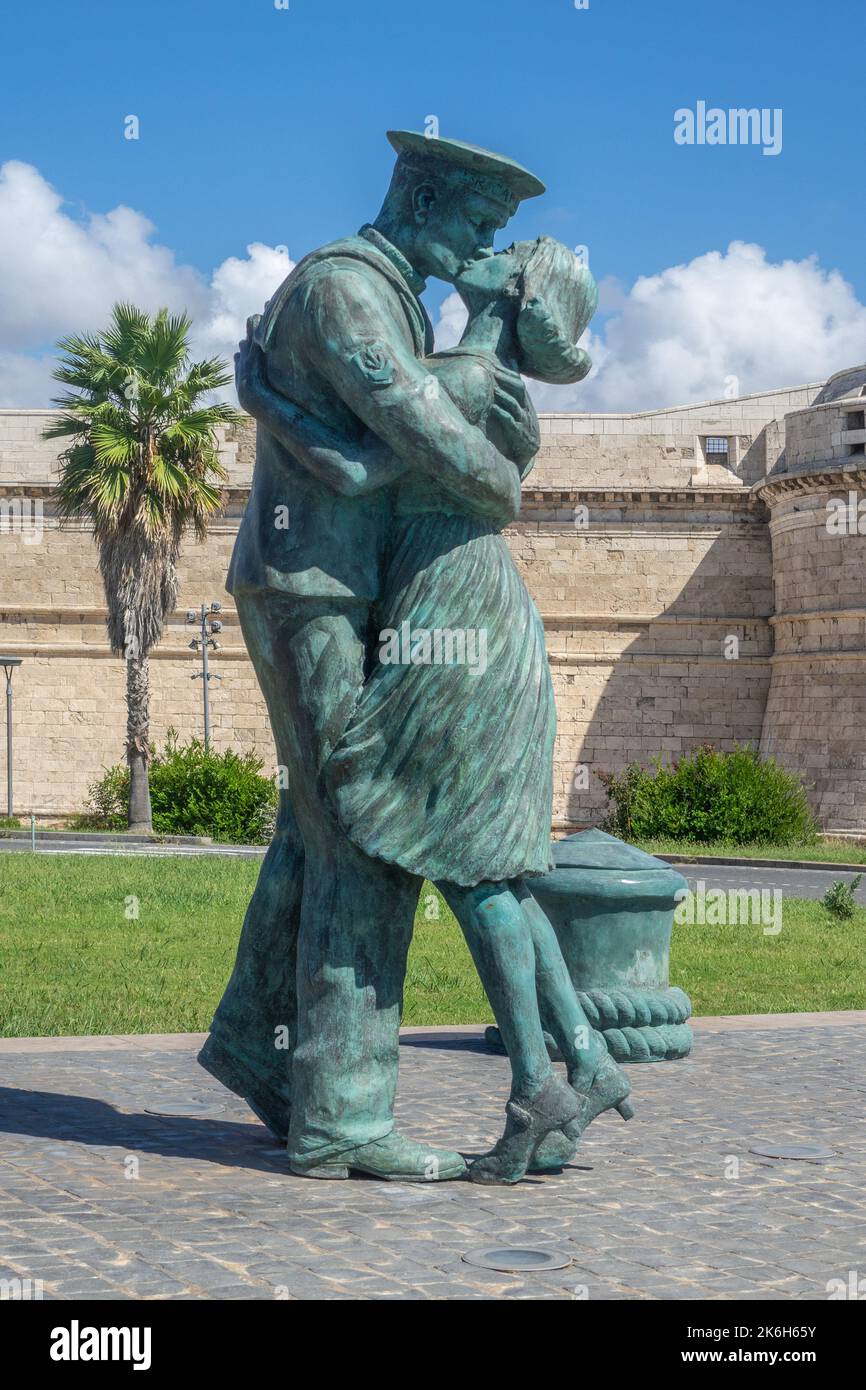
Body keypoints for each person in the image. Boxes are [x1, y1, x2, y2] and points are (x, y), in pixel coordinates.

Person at [242, 236, 634, 1183]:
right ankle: (584, 1055)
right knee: (498, 866)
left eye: (513, 251)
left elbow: (357, 473)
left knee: (452, 863)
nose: (491, 249)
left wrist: (263, 394)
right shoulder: (498, 388)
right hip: (488, 617)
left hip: (445, 619)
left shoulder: (454, 374)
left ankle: (539, 1088)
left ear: (513, 289)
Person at [200, 132, 546, 1182]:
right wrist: (467, 424)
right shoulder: (347, 292)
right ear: (425, 196)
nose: (489, 246)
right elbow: (454, 462)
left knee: (319, 821)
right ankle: (343, 1118)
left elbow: (372, 455)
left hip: (335, 581)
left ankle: (258, 1055)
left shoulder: (396, 300)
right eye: (477, 223)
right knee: (361, 834)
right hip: (313, 585)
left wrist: (283, 407)